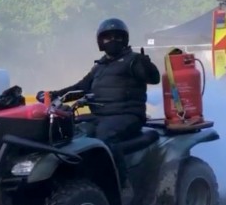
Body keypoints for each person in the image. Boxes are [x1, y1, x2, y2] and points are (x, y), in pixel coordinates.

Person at [36, 17, 161, 184]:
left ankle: (120, 184)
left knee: (105, 137)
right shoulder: (99, 67)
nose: (113, 40)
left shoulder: (134, 60)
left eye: (117, 37)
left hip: (127, 115)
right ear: (101, 42)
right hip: (100, 115)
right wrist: (53, 95)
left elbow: (154, 78)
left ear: (124, 39)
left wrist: (148, 66)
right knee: (68, 130)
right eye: (108, 37)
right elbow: (81, 87)